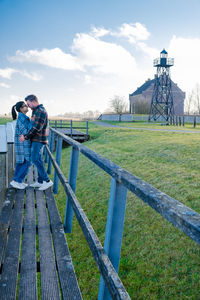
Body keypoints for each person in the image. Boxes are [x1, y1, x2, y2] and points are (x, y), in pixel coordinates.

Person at [19, 94, 53, 191]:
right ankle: (40, 181)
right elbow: (33, 124)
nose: (28, 106)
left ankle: (47, 181)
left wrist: (25, 137)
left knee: (34, 159)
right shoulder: (36, 111)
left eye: (28, 104)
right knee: (38, 159)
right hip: (37, 139)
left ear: (33, 101)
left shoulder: (40, 111)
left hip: (39, 139)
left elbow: (36, 128)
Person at [10, 101, 32, 189]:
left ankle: (17, 181)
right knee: (27, 162)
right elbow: (25, 132)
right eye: (25, 106)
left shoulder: (23, 117)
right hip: (23, 144)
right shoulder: (22, 118)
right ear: (20, 109)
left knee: (21, 162)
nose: (27, 107)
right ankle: (17, 180)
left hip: (22, 143)